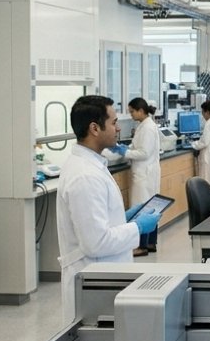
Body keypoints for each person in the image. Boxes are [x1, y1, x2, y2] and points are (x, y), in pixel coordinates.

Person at [56, 95, 161, 323]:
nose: (118, 128)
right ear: (95, 128)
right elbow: (96, 242)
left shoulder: (92, 165)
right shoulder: (84, 175)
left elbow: (94, 223)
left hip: (103, 278)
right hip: (93, 281)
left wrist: (122, 218)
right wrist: (136, 228)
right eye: (113, 122)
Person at [113, 97, 161, 257]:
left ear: (140, 110)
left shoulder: (147, 128)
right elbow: (138, 147)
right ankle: (151, 243)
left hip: (144, 174)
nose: (131, 114)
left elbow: (144, 153)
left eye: (132, 111)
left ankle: (142, 246)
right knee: (149, 209)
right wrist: (127, 148)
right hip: (146, 172)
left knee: (143, 211)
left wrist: (124, 152)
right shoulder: (144, 125)